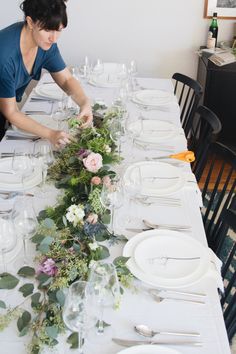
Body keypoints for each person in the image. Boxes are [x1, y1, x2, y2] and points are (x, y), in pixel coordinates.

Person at [0, 0, 93, 146]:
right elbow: (11, 112)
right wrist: (50, 134)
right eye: (48, 30)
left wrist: (84, 103)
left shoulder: (46, 45)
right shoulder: (5, 55)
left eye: (59, 30)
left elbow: (66, 80)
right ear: (30, 22)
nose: (54, 38)